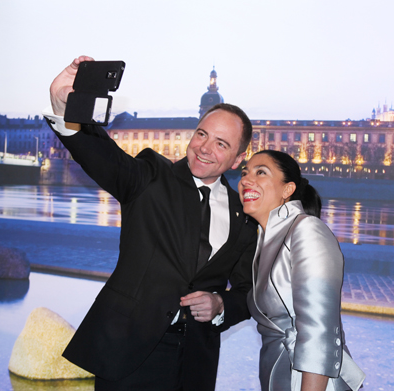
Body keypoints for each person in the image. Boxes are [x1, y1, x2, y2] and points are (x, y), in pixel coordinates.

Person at [43, 56, 257, 391]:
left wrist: (220, 304)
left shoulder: (242, 213)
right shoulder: (151, 176)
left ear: (238, 158)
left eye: (221, 144)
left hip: (195, 363)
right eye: (202, 134)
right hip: (128, 355)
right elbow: (101, 155)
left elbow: (248, 292)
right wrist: (67, 104)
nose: (204, 148)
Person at [238, 150, 365, 391]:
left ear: (287, 190)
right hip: (279, 378)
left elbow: (320, 332)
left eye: (260, 172)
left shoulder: (306, 230)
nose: (246, 179)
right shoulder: (266, 241)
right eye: (244, 173)